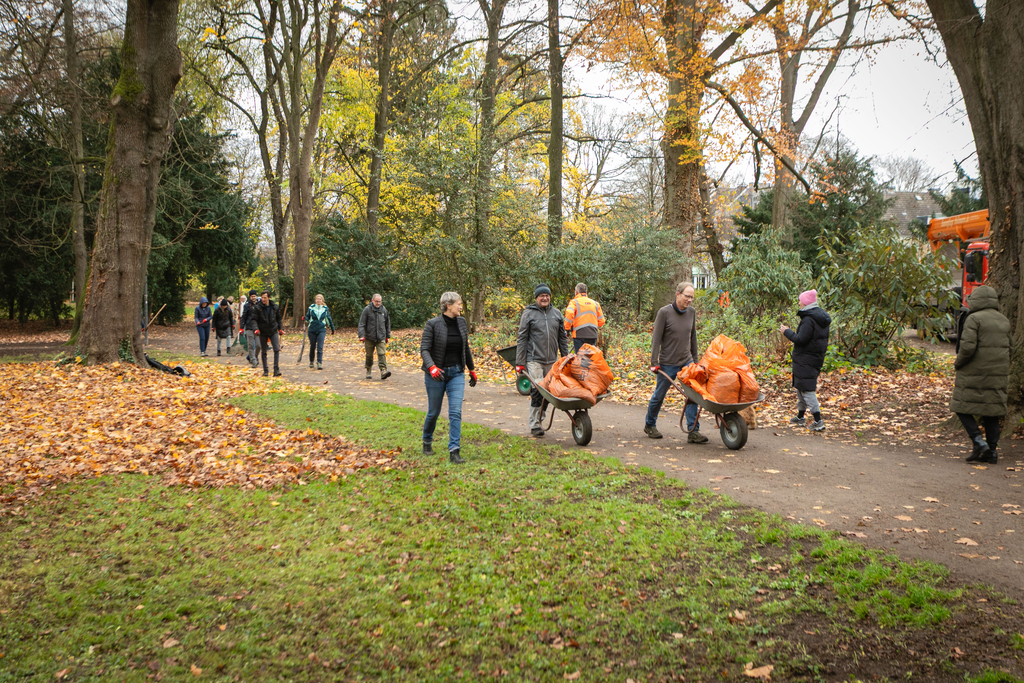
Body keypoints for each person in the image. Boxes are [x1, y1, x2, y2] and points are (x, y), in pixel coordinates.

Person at [949, 285, 1011, 464]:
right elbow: (1011, 348)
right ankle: (991, 452)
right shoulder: (1003, 320)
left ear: (976, 300)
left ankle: (977, 440)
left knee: (960, 406)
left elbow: (967, 348)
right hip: (998, 373)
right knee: (991, 411)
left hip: (973, 372)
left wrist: (958, 363)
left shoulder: (974, 318)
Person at [420, 292, 477, 464]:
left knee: (455, 412)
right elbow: (424, 349)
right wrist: (432, 368)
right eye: (459, 304)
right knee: (433, 412)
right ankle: (427, 440)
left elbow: (465, 347)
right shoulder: (433, 324)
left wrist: (472, 369)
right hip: (436, 375)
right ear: (448, 306)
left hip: (456, 373)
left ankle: (454, 450)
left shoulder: (461, 323)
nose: (461, 307)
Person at [644, 282, 705, 442]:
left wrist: (696, 361)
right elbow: (656, 339)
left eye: (692, 297)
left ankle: (693, 431)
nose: (690, 300)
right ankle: (650, 425)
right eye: (687, 296)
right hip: (667, 363)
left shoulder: (691, 312)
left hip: (686, 361)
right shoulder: (664, 313)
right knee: (659, 395)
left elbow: (693, 338)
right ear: (678, 294)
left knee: (692, 395)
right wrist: (654, 362)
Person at [515, 284, 568, 437]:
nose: (544, 298)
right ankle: (535, 424)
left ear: (550, 297)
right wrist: (520, 362)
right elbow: (522, 338)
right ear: (536, 298)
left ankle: (540, 416)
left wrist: (565, 359)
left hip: (552, 360)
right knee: (538, 390)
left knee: (551, 392)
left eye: (547, 295)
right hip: (534, 360)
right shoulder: (529, 314)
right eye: (541, 296)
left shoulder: (557, 314)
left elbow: (562, 339)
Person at [779, 289, 831, 432]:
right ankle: (801, 417)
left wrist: (787, 332)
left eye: (800, 300)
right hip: (812, 358)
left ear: (806, 303)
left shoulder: (809, 320)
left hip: (806, 359)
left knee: (807, 390)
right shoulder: (819, 317)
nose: (798, 303)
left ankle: (818, 421)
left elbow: (800, 339)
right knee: (800, 387)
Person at [564, 282, 606, 353]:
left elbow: (569, 313)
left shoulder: (574, 302)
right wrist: (593, 327)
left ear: (576, 292)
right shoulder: (595, 304)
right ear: (586, 292)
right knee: (590, 359)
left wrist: (567, 328)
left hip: (579, 335)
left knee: (580, 360)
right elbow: (602, 321)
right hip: (593, 335)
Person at [358, 293, 391, 380]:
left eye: (379, 301)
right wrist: (361, 335)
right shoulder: (367, 310)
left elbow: (387, 323)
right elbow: (362, 323)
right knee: (369, 355)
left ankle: (383, 371)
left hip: (381, 337)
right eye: (376, 301)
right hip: (369, 337)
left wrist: (388, 335)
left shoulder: (384, 310)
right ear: (372, 300)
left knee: (381, 354)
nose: (378, 303)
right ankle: (368, 370)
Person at [255, 290, 284, 377]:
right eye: (262, 297)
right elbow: (254, 320)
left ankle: (276, 369)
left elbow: (279, 318)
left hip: (273, 330)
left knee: (276, 349)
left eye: (265, 297)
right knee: (264, 351)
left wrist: (280, 328)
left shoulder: (274, 307)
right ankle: (265, 370)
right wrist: (256, 329)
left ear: (269, 297)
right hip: (263, 331)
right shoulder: (258, 307)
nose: (263, 299)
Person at [304, 293, 335, 370]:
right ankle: (311, 361)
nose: (318, 300)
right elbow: (307, 317)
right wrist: (305, 318)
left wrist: (332, 328)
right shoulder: (311, 308)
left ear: (322, 300)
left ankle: (319, 362)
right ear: (315, 300)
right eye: (317, 299)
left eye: (320, 299)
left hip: (321, 329)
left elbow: (328, 319)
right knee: (312, 346)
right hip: (312, 329)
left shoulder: (325, 309)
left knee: (320, 347)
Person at [239, 290, 261, 368]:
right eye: (252, 296)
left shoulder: (260, 305)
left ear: (256, 296)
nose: (253, 297)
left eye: (254, 296)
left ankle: (255, 356)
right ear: (250, 297)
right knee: (251, 344)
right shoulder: (247, 306)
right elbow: (244, 317)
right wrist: (241, 327)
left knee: (258, 345)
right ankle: (253, 360)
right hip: (249, 327)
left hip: (257, 328)